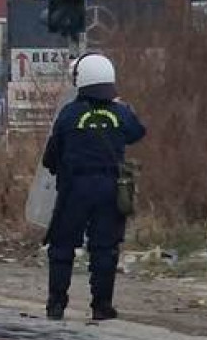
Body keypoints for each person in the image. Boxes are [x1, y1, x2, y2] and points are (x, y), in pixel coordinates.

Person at [42, 53, 146, 321]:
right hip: (110, 189)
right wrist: (125, 109)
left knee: (62, 246)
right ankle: (101, 306)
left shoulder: (69, 114)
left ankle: (56, 305)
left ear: (81, 79)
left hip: (74, 189)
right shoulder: (120, 113)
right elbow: (138, 132)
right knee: (105, 248)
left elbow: (50, 157)